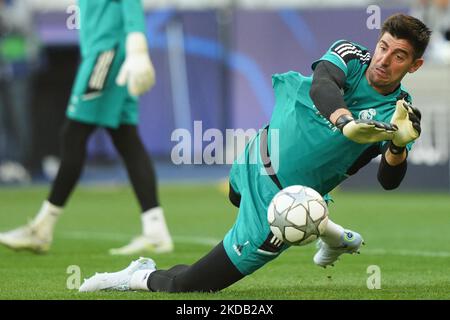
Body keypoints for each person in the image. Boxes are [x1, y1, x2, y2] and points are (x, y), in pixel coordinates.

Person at [78, 13, 430, 293]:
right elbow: (323, 84)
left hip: (278, 205)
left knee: (190, 287)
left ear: (414, 66)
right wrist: (345, 121)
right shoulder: (351, 55)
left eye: (399, 56)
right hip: (257, 151)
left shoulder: (398, 112)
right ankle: (332, 233)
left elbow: (389, 179)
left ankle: (138, 276)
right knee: (234, 196)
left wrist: (398, 144)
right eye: (383, 46)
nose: (384, 59)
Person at [0, 0, 173, 255]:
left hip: (107, 54)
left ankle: (42, 228)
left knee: (74, 135)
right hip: (110, 52)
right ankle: (155, 230)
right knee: (127, 139)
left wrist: (138, 46)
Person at [0, 0, 39, 184]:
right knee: (2, 120)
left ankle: (22, 163)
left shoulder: (18, 5)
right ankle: (5, 163)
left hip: (18, 68)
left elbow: (19, 26)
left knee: (19, 117)